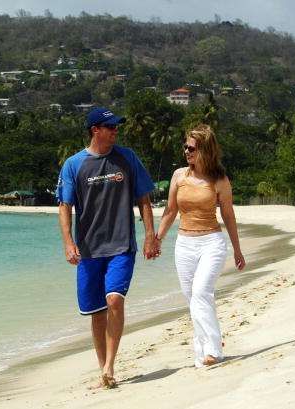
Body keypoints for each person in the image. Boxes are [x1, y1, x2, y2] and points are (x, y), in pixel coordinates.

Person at [56, 107, 159, 388]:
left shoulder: (127, 158)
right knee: (97, 312)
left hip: (121, 245)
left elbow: (144, 199)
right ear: (95, 130)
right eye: (110, 126)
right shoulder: (73, 165)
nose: (116, 130)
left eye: (116, 126)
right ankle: (103, 367)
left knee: (114, 299)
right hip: (89, 250)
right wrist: (68, 243)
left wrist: (150, 235)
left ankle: (111, 365)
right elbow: (65, 207)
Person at [155, 123, 246, 368]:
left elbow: (228, 215)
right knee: (192, 298)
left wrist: (237, 250)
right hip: (184, 244)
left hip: (211, 243)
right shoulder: (178, 176)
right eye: (185, 147)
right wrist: (157, 239)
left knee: (201, 293)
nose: (186, 151)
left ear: (205, 150)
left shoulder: (219, 180)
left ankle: (214, 350)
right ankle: (202, 351)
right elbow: (170, 210)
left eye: (192, 148)